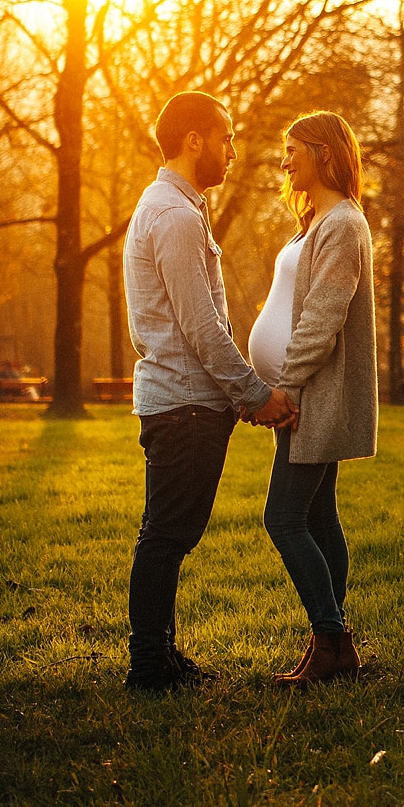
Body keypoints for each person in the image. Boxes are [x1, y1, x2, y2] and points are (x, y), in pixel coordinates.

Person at [122, 91, 299, 692]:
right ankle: (148, 664)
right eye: (224, 136)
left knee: (172, 533)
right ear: (193, 140)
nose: (232, 149)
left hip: (187, 401)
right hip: (182, 404)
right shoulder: (173, 217)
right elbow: (201, 327)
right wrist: (253, 393)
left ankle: (162, 656)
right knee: (167, 533)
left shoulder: (172, 208)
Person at [248, 110, 377, 686]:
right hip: (298, 394)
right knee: (319, 518)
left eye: (293, 150)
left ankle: (332, 640)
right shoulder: (316, 221)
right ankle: (332, 646)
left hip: (309, 395)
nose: (283, 161)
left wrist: (287, 386)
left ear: (325, 154)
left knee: (284, 518)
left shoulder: (343, 224)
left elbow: (324, 317)